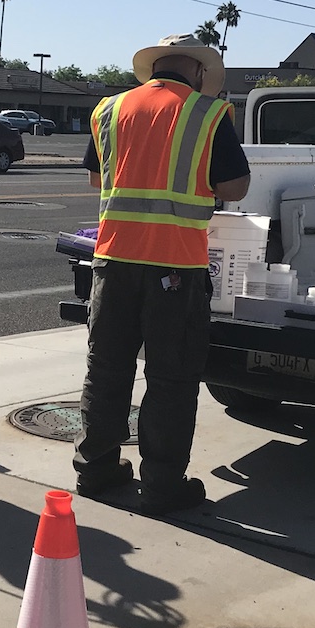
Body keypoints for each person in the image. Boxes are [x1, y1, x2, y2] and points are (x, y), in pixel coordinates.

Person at [73, 34, 251, 514]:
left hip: (112, 261)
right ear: (196, 71)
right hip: (175, 265)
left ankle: (96, 469)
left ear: (154, 68)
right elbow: (234, 186)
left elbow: (97, 177)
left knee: (107, 368)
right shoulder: (207, 113)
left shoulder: (110, 109)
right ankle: (162, 484)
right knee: (171, 377)